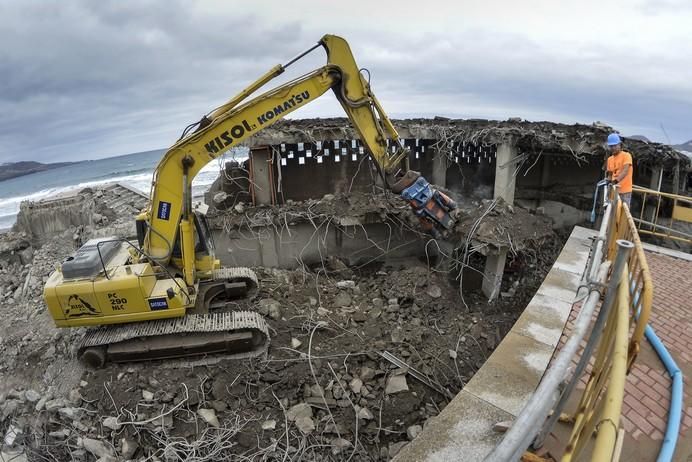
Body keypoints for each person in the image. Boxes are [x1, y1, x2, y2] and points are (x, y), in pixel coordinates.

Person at [605, 133, 633, 207]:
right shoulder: (609, 159)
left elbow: (625, 171)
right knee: (611, 212)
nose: (613, 148)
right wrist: (608, 181)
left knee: (624, 213)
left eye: (615, 145)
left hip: (625, 191)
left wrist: (615, 181)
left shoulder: (626, 156)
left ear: (620, 144)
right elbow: (610, 174)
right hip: (614, 191)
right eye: (611, 146)